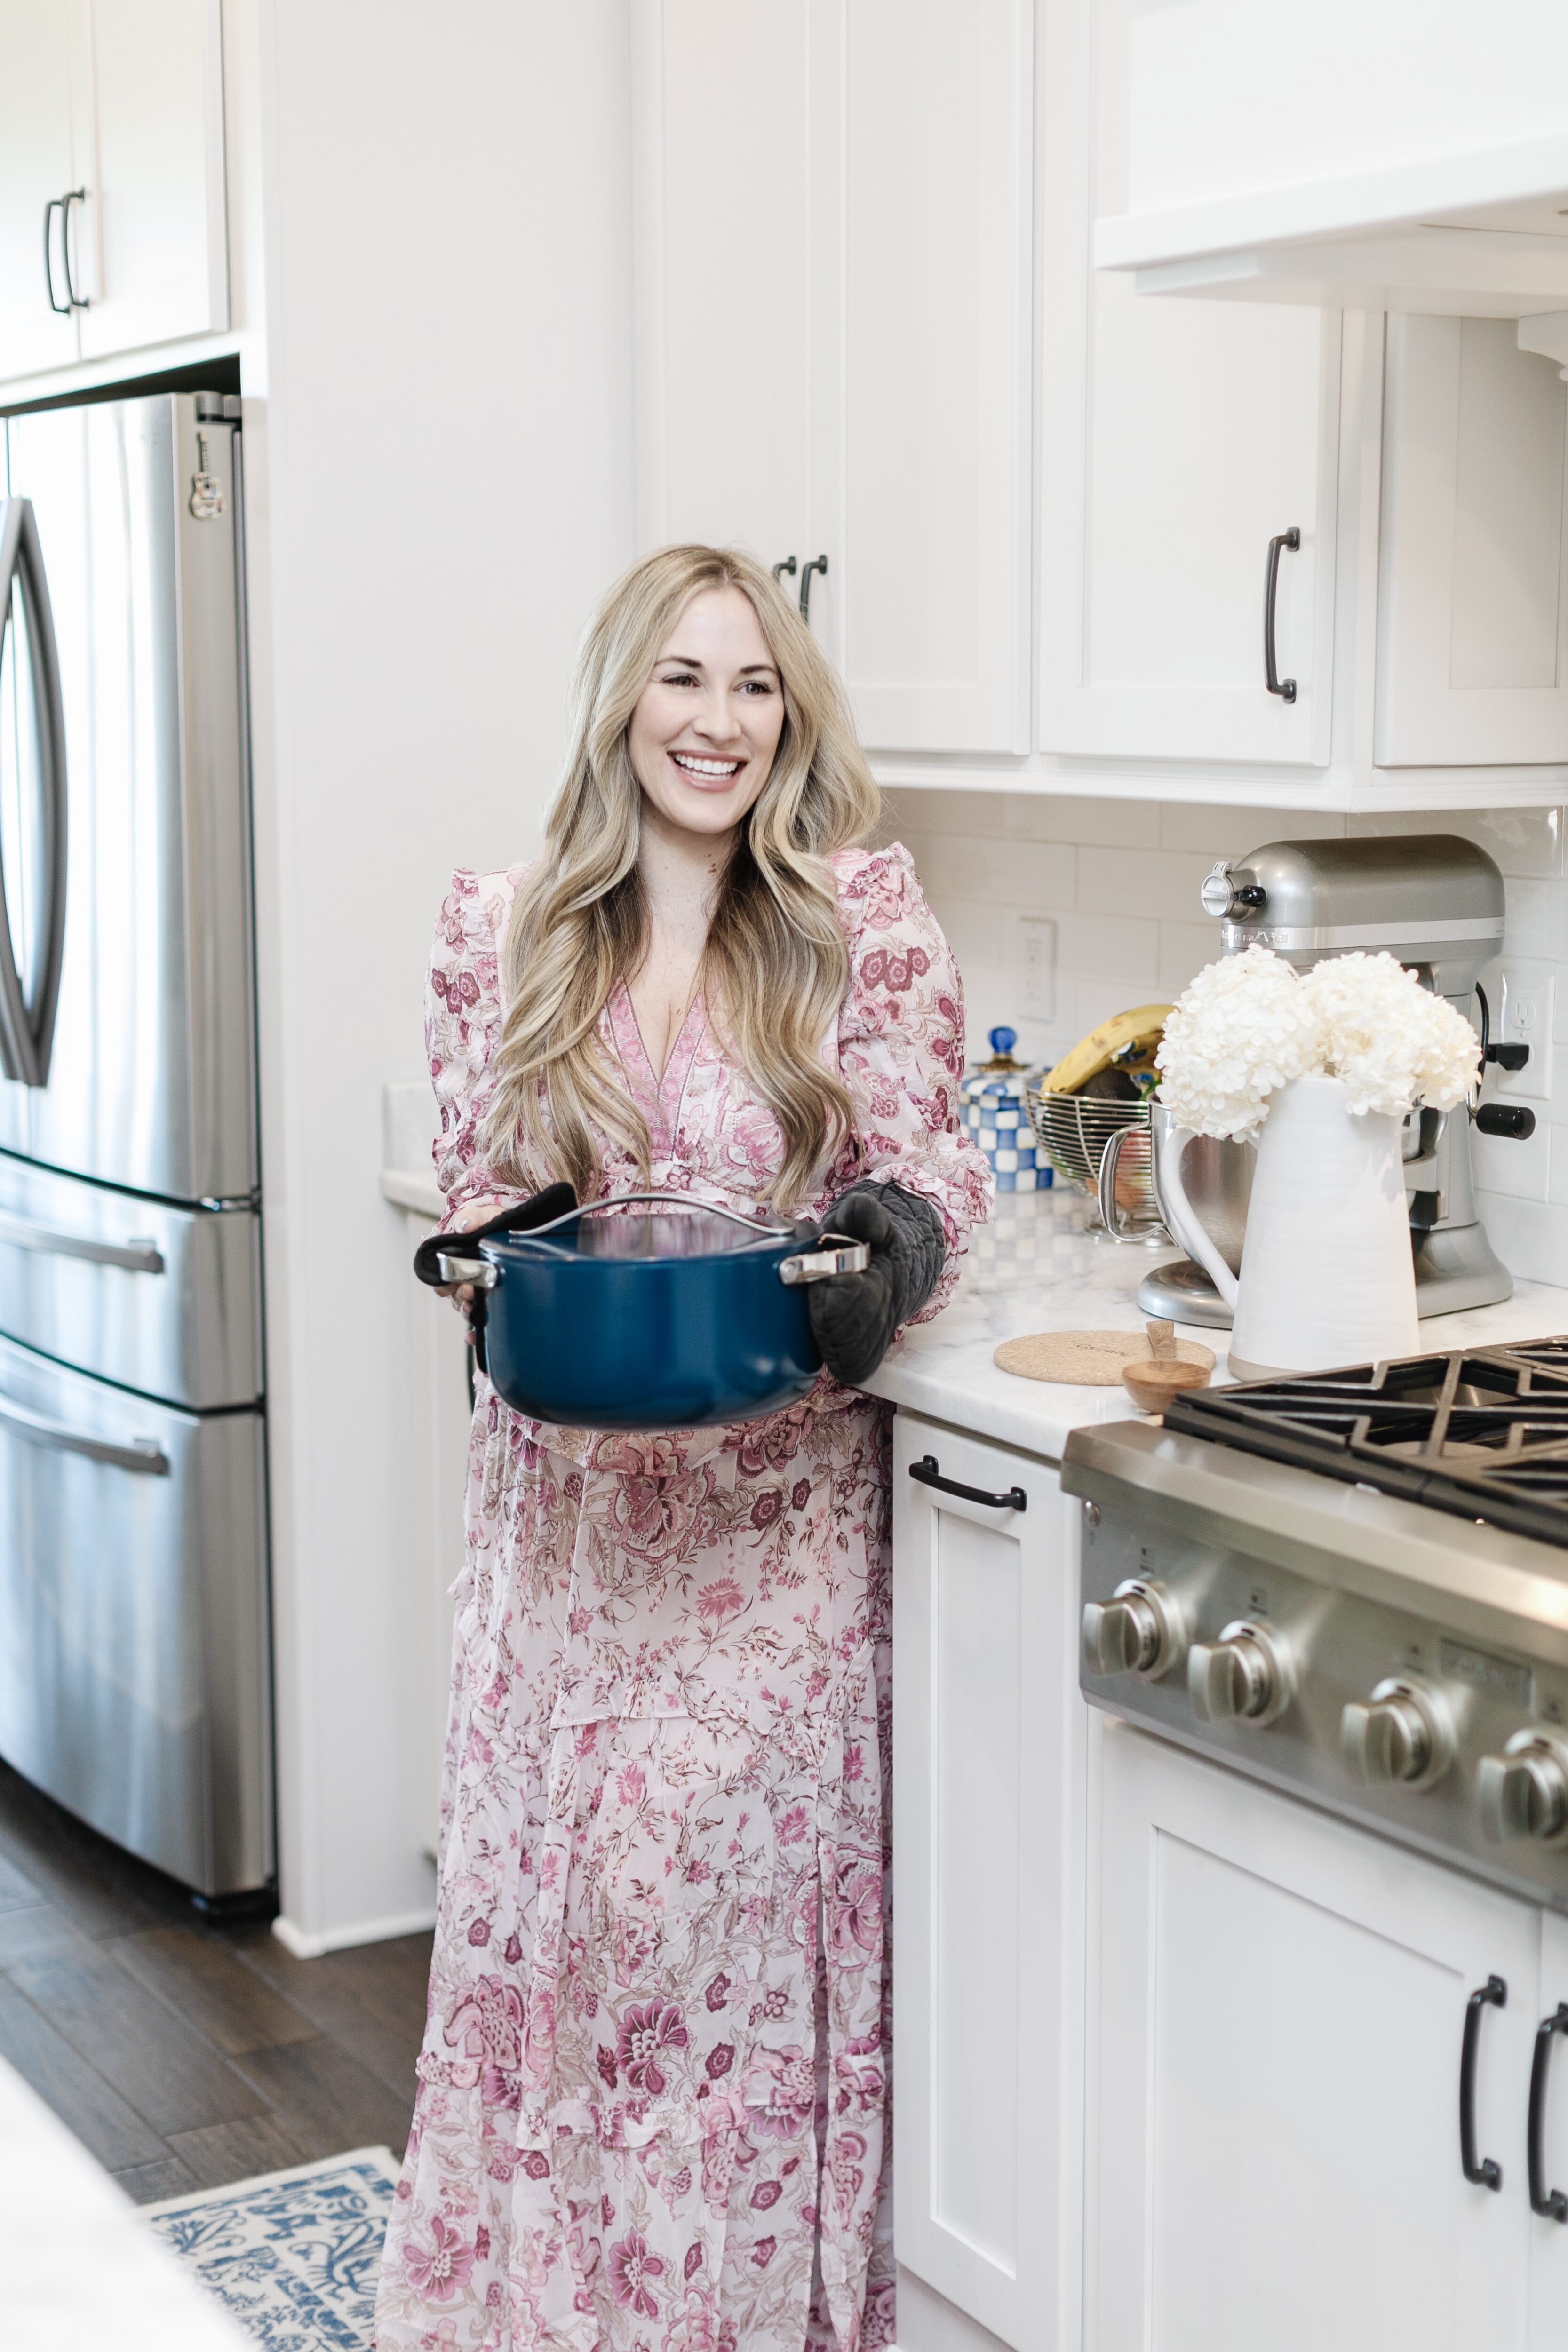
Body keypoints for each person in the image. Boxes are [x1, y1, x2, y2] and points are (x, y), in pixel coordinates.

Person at [375, 545, 991, 2352]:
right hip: (559, 1540)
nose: (719, 725)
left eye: (756, 688)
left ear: (791, 720)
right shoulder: (502, 927)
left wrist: (905, 1234)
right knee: (558, 1947)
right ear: (620, 699)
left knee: (714, 1959)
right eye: (684, 680)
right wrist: (491, 1271)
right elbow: (488, 1191)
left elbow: (933, 1157)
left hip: (769, 1537)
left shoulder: (856, 921)